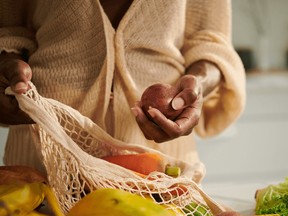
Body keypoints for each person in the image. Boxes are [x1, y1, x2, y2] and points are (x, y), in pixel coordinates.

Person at [0, 0, 246, 174]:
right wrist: (6, 70)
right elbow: (6, 28)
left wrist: (197, 85)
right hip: (47, 151)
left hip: (160, 161)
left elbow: (211, 41)